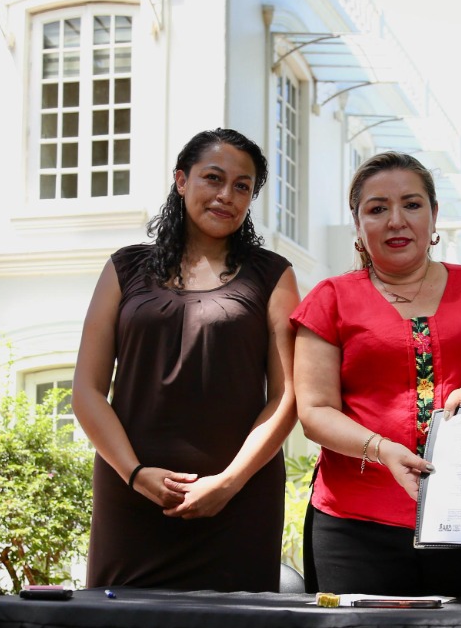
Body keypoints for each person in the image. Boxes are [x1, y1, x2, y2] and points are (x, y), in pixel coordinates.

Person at [292, 151, 461, 597]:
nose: (395, 220)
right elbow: (313, 411)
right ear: (358, 225)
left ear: (434, 214)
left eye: (411, 204)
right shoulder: (330, 300)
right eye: (377, 208)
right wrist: (380, 448)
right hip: (355, 525)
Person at [73, 128, 299, 591]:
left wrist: (228, 483)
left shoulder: (273, 275)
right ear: (181, 180)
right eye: (213, 178)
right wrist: (135, 475)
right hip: (132, 497)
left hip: (238, 501)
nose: (226, 195)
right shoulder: (125, 267)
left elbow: (287, 397)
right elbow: (87, 390)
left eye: (242, 186)